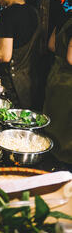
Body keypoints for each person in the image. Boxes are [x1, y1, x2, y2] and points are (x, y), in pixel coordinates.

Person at [43, 13, 72, 165]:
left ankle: (50, 161)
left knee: (53, 127)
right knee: (66, 135)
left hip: (55, 76)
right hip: (68, 84)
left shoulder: (65, 16)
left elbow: (51, 45)